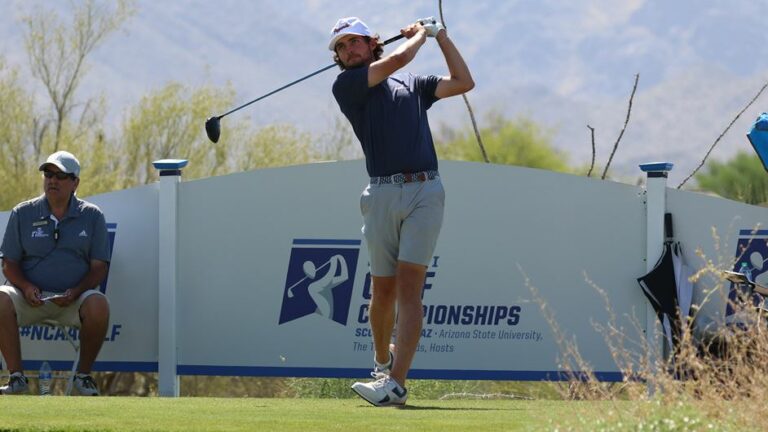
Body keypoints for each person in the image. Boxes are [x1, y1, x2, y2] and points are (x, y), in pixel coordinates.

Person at [329, 16, 474, 406]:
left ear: (371, 42)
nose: (349, 50)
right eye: (341, 47)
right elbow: (394, 63)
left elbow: (463, 81)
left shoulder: (413, 85)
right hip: (381, 193)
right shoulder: (347, 85)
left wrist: (440, 35)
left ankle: (396, 383)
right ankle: (381, 361)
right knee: (383, 291)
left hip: (426, 189)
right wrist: (420, 37)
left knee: (410, 290)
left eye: (355, 42)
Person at [0, 151, 111, 396]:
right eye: (48, 174)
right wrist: (26, 287)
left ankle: (83, 378)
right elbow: (9, 263)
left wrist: (76, 292)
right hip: (29, 298)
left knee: (99, 304)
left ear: (75, 183)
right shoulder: (23, 213)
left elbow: (99, 267)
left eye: (61, 176)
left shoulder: (92, 216)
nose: (53, 180)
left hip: (74, 300)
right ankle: (16, 378)